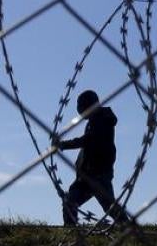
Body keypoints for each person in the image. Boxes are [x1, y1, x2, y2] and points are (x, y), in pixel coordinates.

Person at [54, 90, 130, 225]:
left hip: (99, 174)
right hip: (87, 174)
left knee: (109, 206)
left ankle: (127, 227)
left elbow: (88, 140)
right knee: (71, 201)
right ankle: (71, 231)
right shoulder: (96, 120)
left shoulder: (102, 120)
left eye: (82, 108)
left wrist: (63, 145)